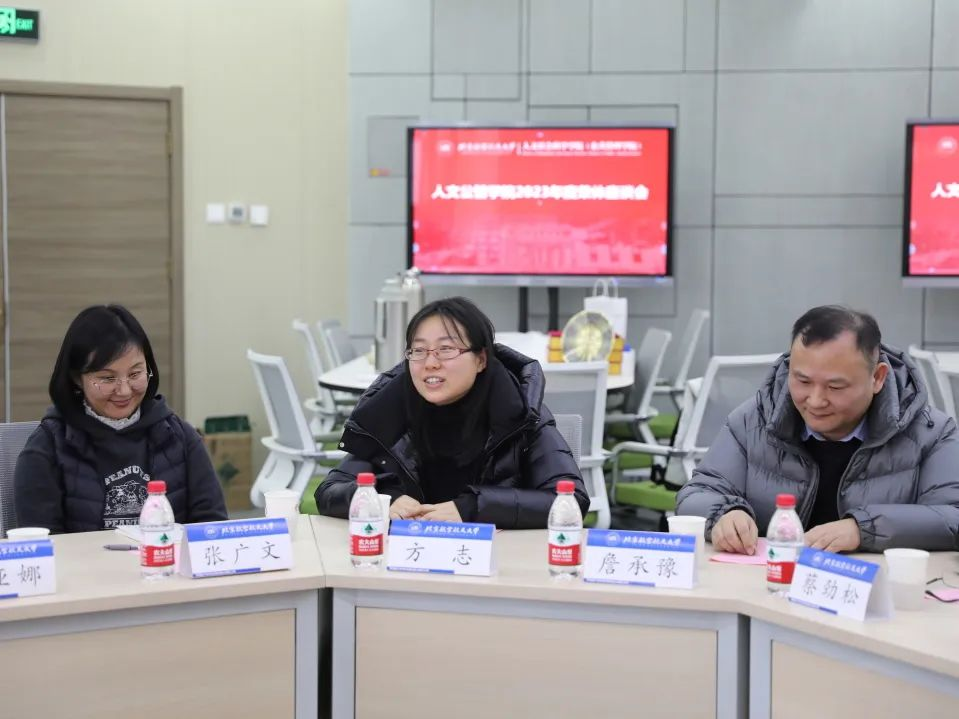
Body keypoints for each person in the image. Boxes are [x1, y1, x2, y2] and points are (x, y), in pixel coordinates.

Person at [675, 305, 959, 554]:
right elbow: (698, 492)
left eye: (835, 387)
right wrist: (724, 514)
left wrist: (864, 529)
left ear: (877, 378)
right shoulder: (753, 421)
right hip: (769, 585)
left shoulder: (931, 433)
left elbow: (952, 516)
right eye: (803, 381)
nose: (815, 400)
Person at [315, 296, 589, 528]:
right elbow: (330, 491)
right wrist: (380, 500)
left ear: (481, 359)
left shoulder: (519, 412)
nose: (430, 363)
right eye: (418, 350)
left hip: (496, 560)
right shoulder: (391, 409)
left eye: (445, 349)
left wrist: (473, 508)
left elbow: (570, 500)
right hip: (406, 560)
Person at [14, 304, 227, 533]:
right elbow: (42, 542)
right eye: (107, 378)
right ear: (77, 378)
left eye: (135, 374)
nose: (124, 391)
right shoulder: (47, 447)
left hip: (165, 556)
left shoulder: (181, 437)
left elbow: (212, 528)